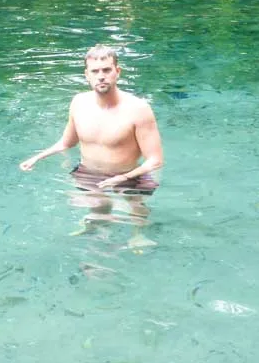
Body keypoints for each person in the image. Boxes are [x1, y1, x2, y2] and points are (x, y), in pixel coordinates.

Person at [20, 46, 164, 234]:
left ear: (117, 72)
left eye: (106, 70)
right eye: (95, 71)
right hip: (90, 173)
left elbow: (156, 159)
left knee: (136, 208)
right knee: (97, 205)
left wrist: (123, 177)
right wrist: (37, 157)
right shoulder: (79, 103)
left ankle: (138, 236)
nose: (101, 76)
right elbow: (67, 142)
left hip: (127, 174)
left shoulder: (138, 109)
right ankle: (97, 229)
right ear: (87, 75)